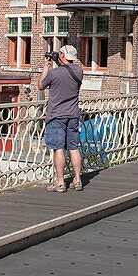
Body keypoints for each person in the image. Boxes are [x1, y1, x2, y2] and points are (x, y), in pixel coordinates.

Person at [40, 45, 85, 193]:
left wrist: (46, 66)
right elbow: (68, 70)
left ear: (63, 56)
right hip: (73, 114)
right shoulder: (79, 71)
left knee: (58, 148)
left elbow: (40, 85)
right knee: (73, 147)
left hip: (56, 115)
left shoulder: (54, 73)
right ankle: (77, 180)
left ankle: (60, 183)